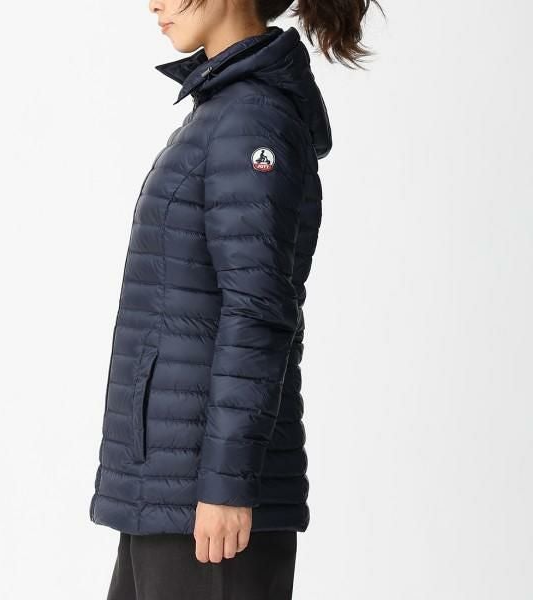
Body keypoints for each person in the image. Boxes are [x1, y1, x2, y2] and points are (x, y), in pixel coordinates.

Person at [89, 0, 382, 597]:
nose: (154, 3)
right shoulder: (223, 112)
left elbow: (257, 310)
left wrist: (226, 486)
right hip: (169, 487)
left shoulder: (252, 120)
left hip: (209, 501)